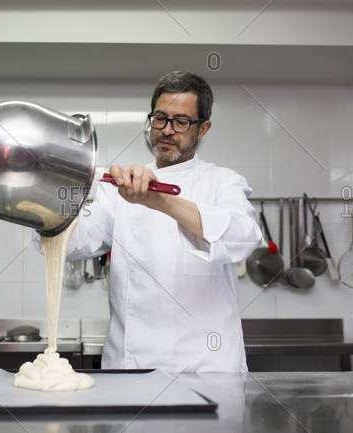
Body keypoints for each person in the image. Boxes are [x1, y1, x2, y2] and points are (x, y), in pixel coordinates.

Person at [39, 71, 262, 373]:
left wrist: (159, 200)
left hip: (207, 372)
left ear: (203, 128)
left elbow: (242, 239)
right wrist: (42, 196)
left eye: (181, 121)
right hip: (130, 368)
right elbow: (74, 242)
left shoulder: (222, 182)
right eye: (160, 118)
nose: (167, 130)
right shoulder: (120, 185)